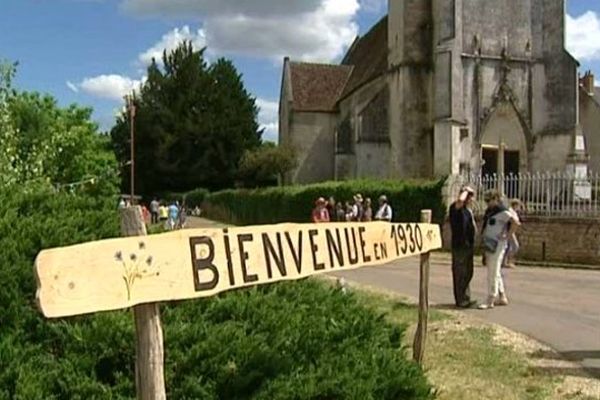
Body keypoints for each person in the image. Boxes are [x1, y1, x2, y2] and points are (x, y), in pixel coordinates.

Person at [479, 190, 521, 310]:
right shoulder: (490, 211)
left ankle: (490, 298)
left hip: (498, 244)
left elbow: (515, 223)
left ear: (496, 199)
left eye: (489, 200)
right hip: (489, 243)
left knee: (493, 270)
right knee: (494, 269)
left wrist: (507, 236)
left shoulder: (503, 211)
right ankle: (502, 295)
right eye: (486, 200)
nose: (487, 203)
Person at [449, 186, 477, 308]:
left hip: (468, 246)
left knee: (468, 272)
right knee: (460, 273)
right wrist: (465, 190)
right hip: (459, 245)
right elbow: (460, 201)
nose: (471, 199)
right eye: (469, 196)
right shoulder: (455, 208)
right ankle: (461, 300)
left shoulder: (467, 211)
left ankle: (466, 297)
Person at [503, 199, 523, 269]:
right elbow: (512, 221)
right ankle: (507, 261)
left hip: (512, 231)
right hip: (509, 230)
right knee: (515, 246)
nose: (519, 208)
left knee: (508, 246)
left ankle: (505, 262)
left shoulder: (514, 212)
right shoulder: (510, 211)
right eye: (518, 206)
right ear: (515, 205)